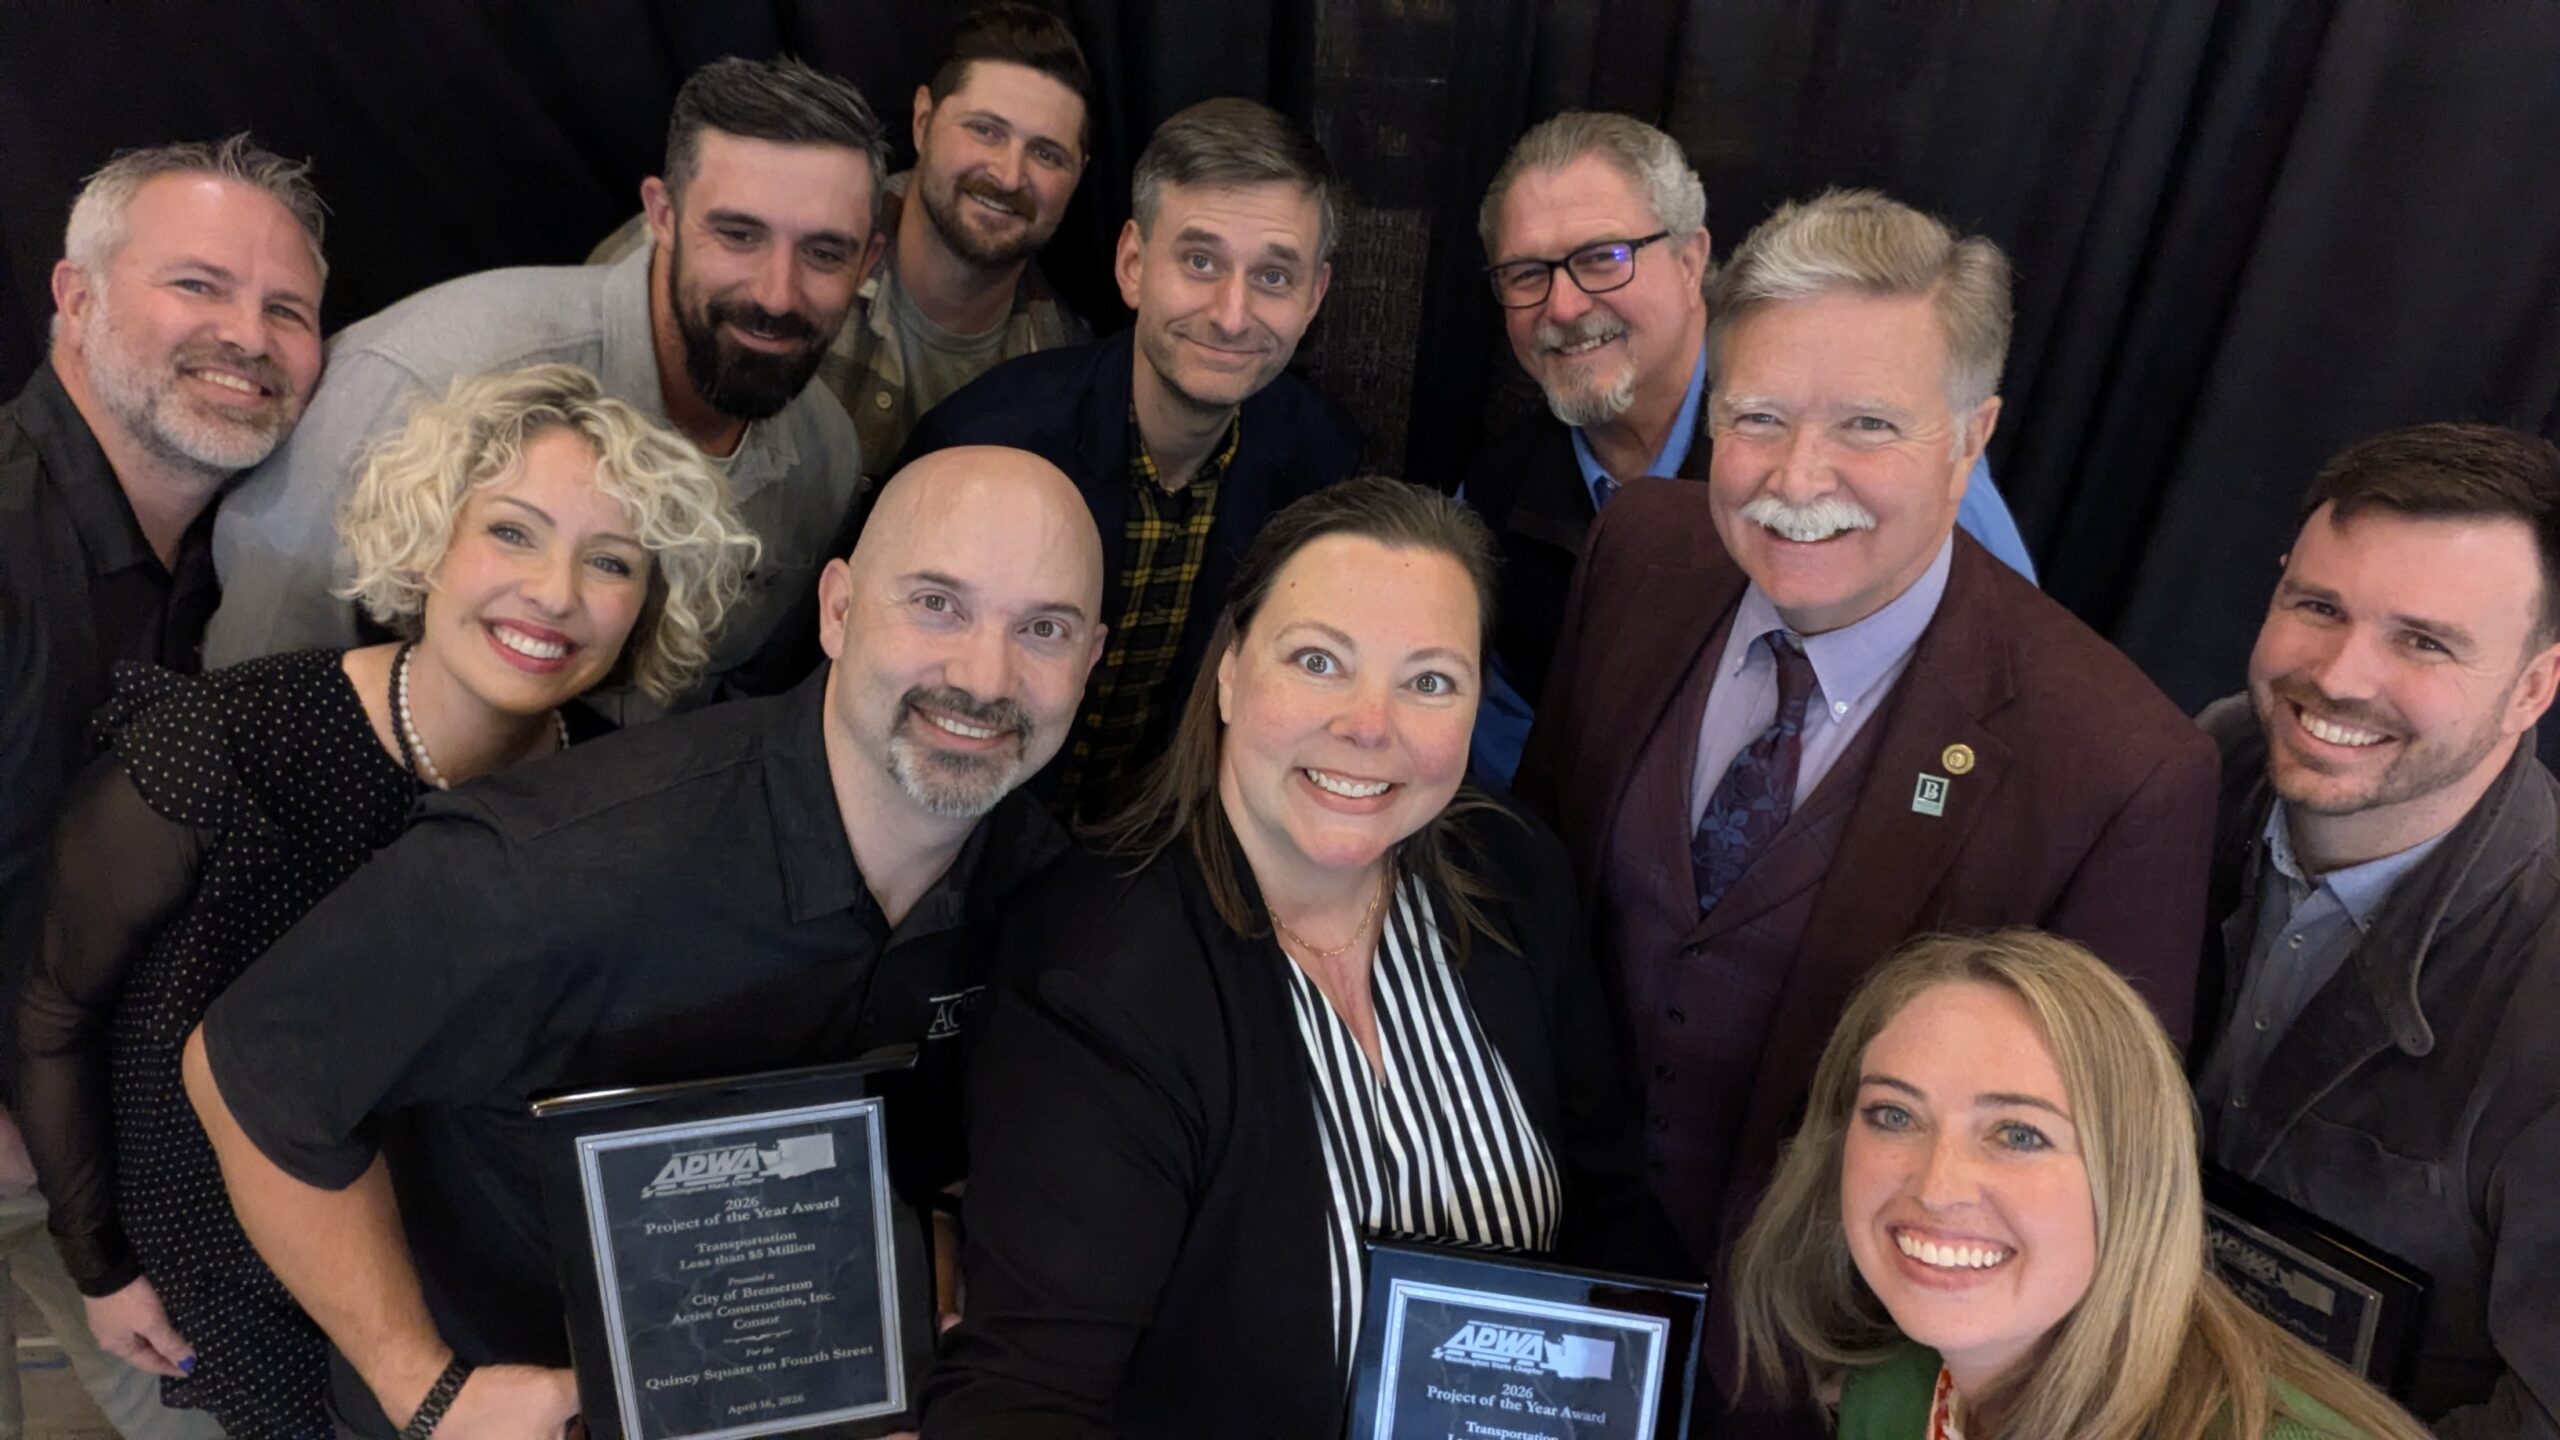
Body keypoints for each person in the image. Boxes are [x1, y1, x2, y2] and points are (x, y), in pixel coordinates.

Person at [180, 445, 1102, 1439]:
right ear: (837, 610)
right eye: (936, 604)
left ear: (1090, 660)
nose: (984, 676)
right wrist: (425, 1389)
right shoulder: (552, 868)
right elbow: (248, 1079)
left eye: (1043, 629)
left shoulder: (1052, 900)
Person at [1514, 189, 2216, 1328]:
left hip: (1835, 1349)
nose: (1796, 479)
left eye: (1868, 427)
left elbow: (2094, 1185)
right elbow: (1530, 887)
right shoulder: (1638, 550)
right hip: (1535, 1278)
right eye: (1757, 418)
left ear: (1972, 438)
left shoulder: (2122, 771)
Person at [15, 364, 757, 1440]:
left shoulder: (621, 799)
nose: (554, 592)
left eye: (610, 561)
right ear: (429, 541)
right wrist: (99, 1264)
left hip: (451, 1312)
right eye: (511, 532)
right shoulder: (219, 747)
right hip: (211, 1281)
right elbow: (54, 1010)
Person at [925, 478, 1670, 1438]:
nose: (1370, 725)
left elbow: (1612, 1220)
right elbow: (1030, 1398)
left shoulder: (1512, 872)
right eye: (1319, 661)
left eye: (1430, 681)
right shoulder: (1093, 975)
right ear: (1231, 674)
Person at [206, 57, 887, 710]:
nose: (776, 293)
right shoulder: (427, 376)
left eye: (824, 252)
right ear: (662, 216)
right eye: (738, 235)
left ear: (868, 263)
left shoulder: (826, 455)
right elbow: (255, 687)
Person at [0, 132, 327, 1440]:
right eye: (198, 285)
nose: (247, 335)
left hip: (102, 1155)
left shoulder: (213, 562)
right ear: (74, 299)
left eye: (288, 309)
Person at [1461, 113, 2036, 784]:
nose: (1562, 306)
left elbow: (2006, 693)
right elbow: (1505, 754)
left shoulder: (1887, 464)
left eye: (1602, 258)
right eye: (1527, 273)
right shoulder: (1491, 500)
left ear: (1690, 260)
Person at [2191, 423, 2560, 1438]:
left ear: (2533, 687)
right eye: (2318, 607)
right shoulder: (2193, 774)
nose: (2342, 677)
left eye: (2423, 641)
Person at [1728, 929, 2427, 1440]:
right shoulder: (1888, 1395)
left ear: (2132, 1177)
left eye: (2018, 1134)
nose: (1937, 1187)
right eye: (1894, 1115)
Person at [886, 95, 1363, 818]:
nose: (1232, 315)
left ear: (1314, 296)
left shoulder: (1324, 466)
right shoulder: (986, 441)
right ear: (1133, 264)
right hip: (966, 826)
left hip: (1170, 842)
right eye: (1200, 261)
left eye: (1273, 276)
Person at [594, 4, 1094, 476]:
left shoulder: (1065, 370)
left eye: (1047, 155)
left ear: (1079, 176)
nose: (1009, 175)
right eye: (985, 130)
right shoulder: (716, 236)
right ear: (923, 122)